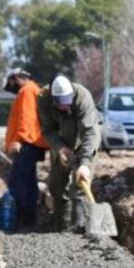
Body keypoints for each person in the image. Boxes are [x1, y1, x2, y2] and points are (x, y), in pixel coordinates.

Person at [37, 75, 101, 231]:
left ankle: (79, 231)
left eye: (68, 102)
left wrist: (85, 163)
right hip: (61, 145)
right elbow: (48, 130)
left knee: (79, 187)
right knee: (56, 186)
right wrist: (60, 148)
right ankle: (62, 230)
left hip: (84, 143)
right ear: (53, 99)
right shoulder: (43, 99)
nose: (66, 107)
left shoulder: (82, 97)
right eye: (61, 104)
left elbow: (90, 133)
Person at [3, 69, 47, 229]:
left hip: (26, 143)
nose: (12, 88)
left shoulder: (27, 91)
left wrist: (18, 140)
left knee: (21, 182)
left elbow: (26, 118)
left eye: (11, 84)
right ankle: (26, 218)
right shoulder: (31, 90)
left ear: (15, 78)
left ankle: (23, 219)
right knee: (27, 180)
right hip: (30, 143)